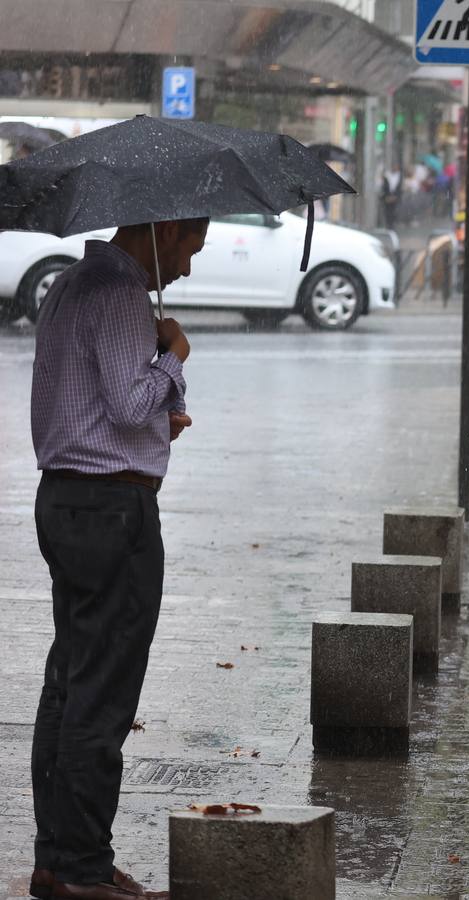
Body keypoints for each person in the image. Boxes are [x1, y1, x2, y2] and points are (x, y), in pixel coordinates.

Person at [28, 218, 207, 900]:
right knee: (100, 696)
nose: (188, 266)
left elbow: (96, 405)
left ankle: (60, 858)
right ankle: (79, 869)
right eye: (190, 247)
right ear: (164, 231)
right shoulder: (122, 295)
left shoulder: (70, 285)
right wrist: (174, 353)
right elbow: (132, 407)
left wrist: (159, 412)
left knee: (70, 683)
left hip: (67, 499)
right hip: (111, 511)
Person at [379, 162, 403, 231]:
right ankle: (388, 225)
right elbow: (384, 187)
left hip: (395, 198)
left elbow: (399, 188)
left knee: (394, 211)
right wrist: (387, 196)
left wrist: (395, 196)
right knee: (387, 211)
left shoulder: (399, 176)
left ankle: (392, 225)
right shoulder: (387, 176)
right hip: (387, 197)